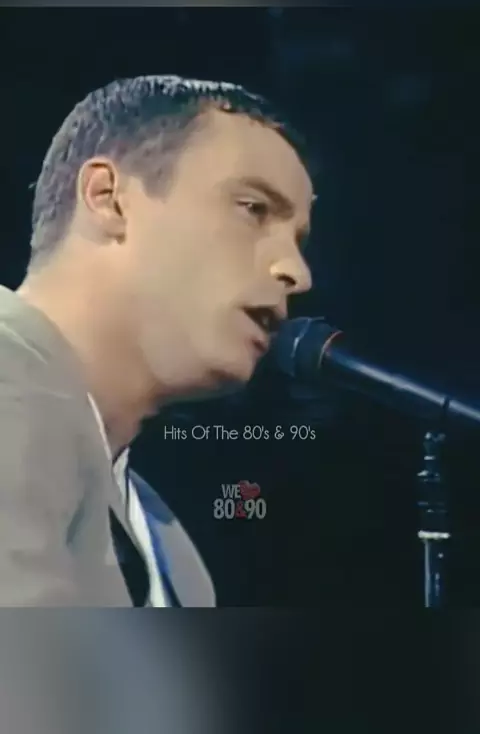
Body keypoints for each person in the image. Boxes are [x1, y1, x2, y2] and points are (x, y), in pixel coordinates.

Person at [0, 74, 314, 606]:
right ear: (109, 199)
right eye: (254, 208)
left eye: (299, 240)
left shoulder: (169, 549)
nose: (297, 272)